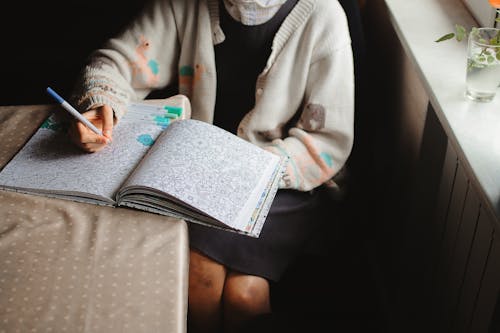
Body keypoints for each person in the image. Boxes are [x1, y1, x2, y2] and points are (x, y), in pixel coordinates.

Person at [69, 0, 354, 332]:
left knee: (244, 297)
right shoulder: (187, 7)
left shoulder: (323, 14)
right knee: (202, 276)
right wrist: (102, 102)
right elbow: (114, 63)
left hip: (285, 181)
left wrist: (241, 167)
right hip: (201, 179)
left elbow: (327, 144)